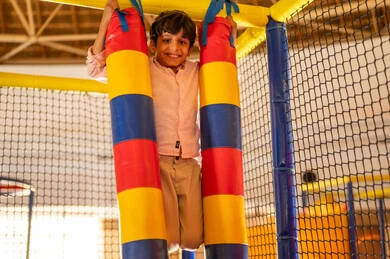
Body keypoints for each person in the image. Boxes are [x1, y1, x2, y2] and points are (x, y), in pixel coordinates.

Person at [86, 0, 237, 253]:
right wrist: (107, 19)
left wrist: (230, 38)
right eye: (166, 41)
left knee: (192, 239)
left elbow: (223, 74)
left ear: (189, 49)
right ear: (153, 45)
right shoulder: (140, 68)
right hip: (158, 162)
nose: (174, 48)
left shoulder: (197, 71)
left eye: (182, 42)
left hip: (190, 162)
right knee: (166, 240)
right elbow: (95, 69)